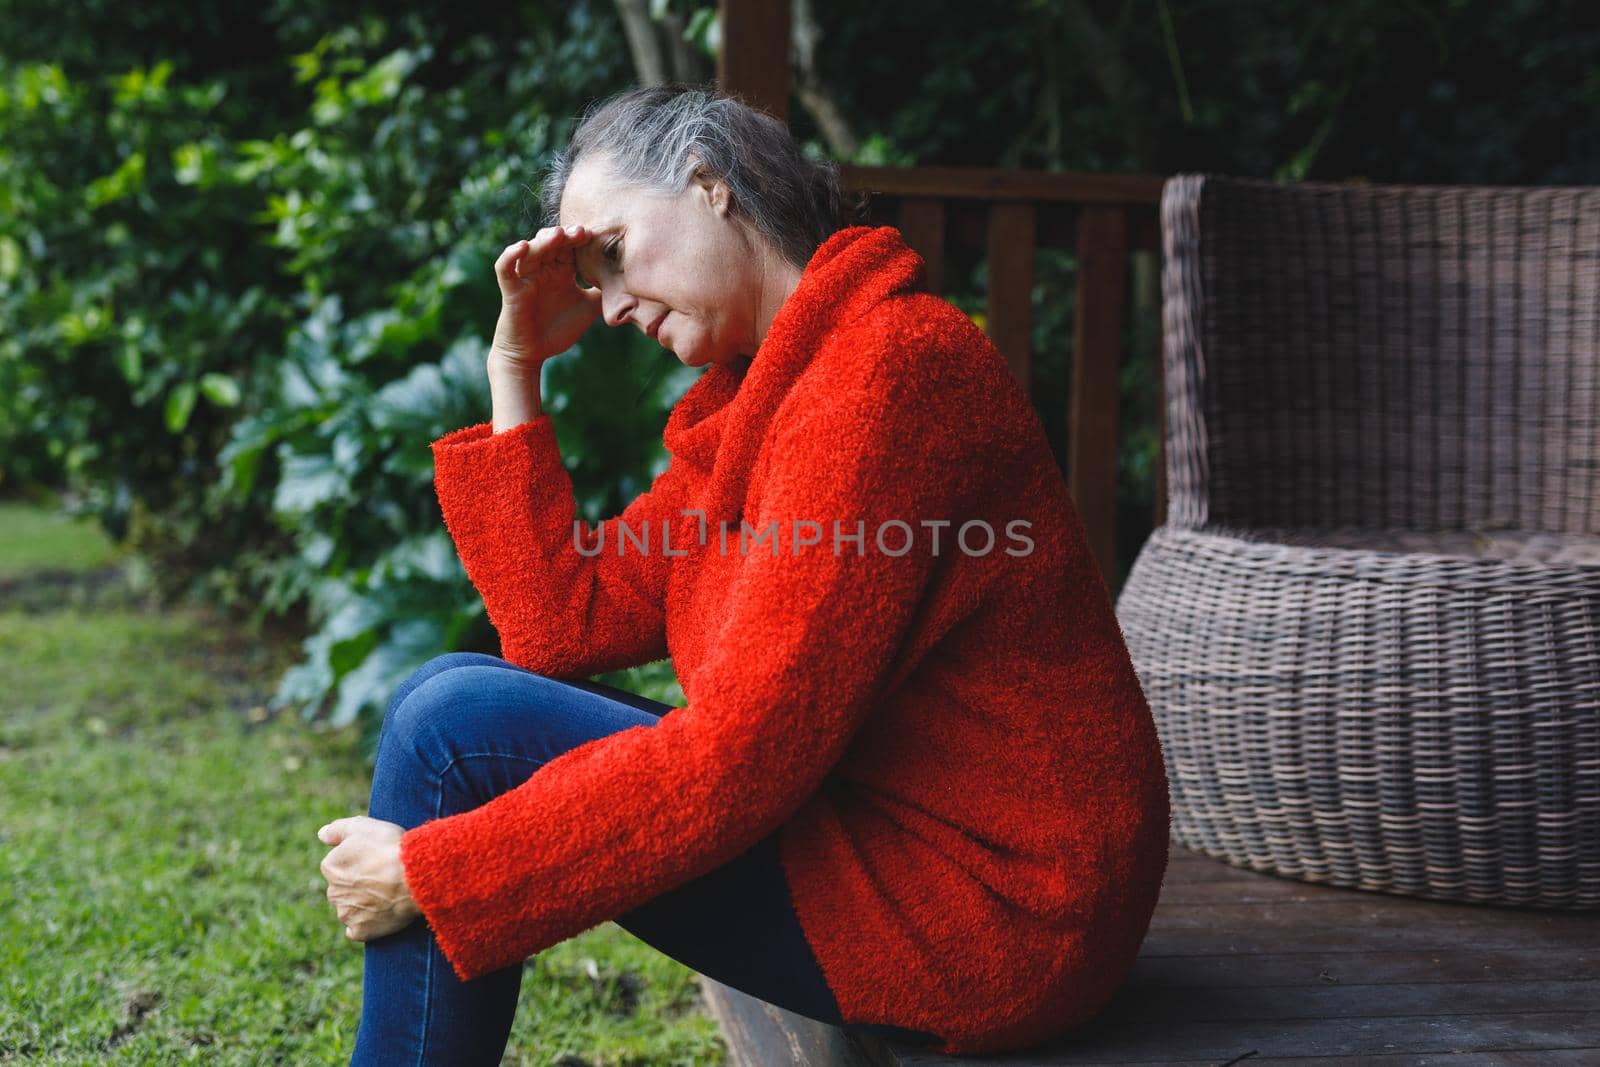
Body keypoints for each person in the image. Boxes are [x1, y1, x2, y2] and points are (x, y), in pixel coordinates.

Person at [314, 83, 1170, 1065]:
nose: (612, 303)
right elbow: (561, 624)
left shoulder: (887, 374)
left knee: (449, 727)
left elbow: (742, 758)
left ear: (710, 185)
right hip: (884, 836)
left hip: (997, 911)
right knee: (444, 700)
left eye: (613, 254)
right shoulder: (763, 401)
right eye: (591, 277)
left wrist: (439, 874)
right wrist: (516, 366)